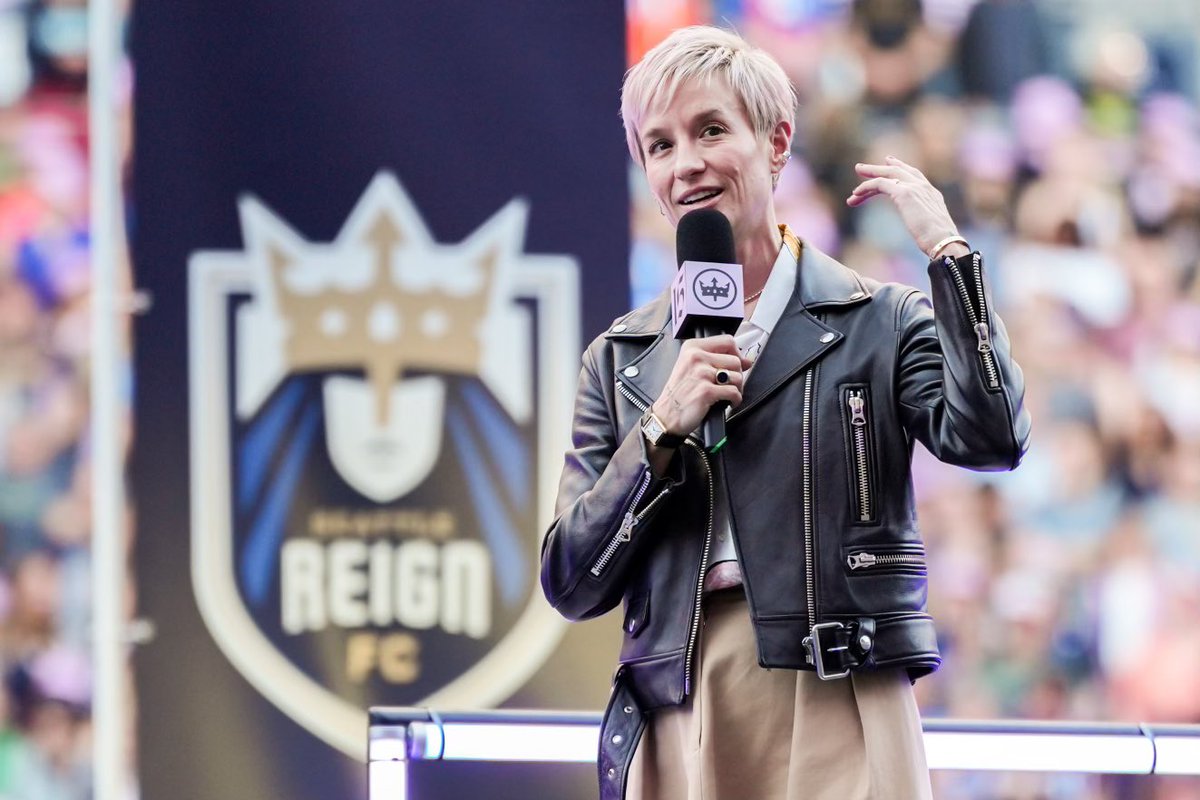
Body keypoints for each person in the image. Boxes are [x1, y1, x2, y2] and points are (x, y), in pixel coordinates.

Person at [540, 25, 1030, 800]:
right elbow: (571, 580)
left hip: (845, 687)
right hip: (684, 702)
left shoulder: (879, 317)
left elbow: (992, 437)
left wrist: (951, 259)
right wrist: (661, 426)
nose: (687, 163)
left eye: (709, 130)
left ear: (776, 144)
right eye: (660, 146)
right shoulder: (621, 359)